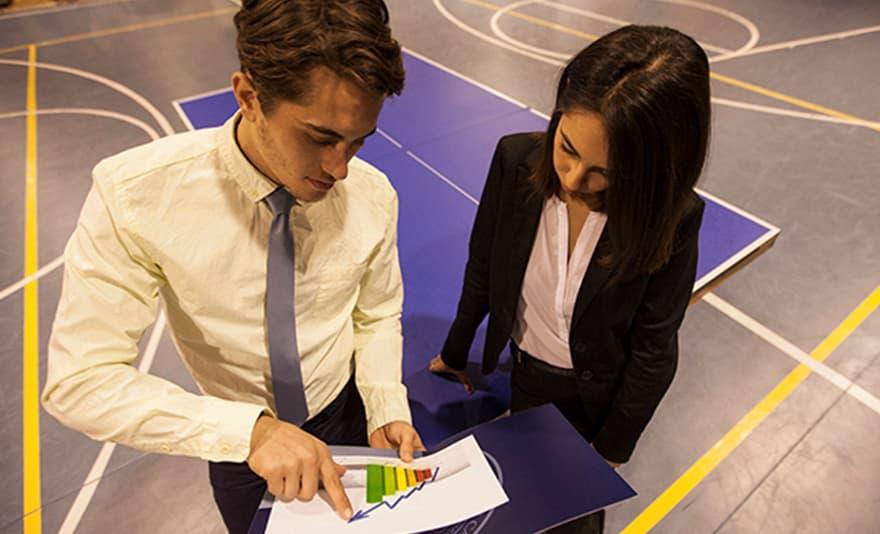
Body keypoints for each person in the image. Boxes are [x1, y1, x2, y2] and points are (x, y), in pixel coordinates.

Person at [42, 1, 423, 532]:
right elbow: (80, 379)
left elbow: (377, 311)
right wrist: (251, 433)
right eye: (319, 138)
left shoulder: (373, 195)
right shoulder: (135, 196)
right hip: (240, 444)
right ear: (249, 96)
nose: (340, 169)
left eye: (357, 142)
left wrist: (385, 404)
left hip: (347, 413)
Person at [429, 25, 710, 533]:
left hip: (592, 397)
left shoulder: (674, 217)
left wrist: (611, 448)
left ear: (652, 169)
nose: (573, 178)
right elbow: (484, 262)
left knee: (570, 522)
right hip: (522, 373)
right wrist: (455, 349)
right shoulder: (514, 160)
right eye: (566, 146)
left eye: (604, 170)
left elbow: (654, 345)